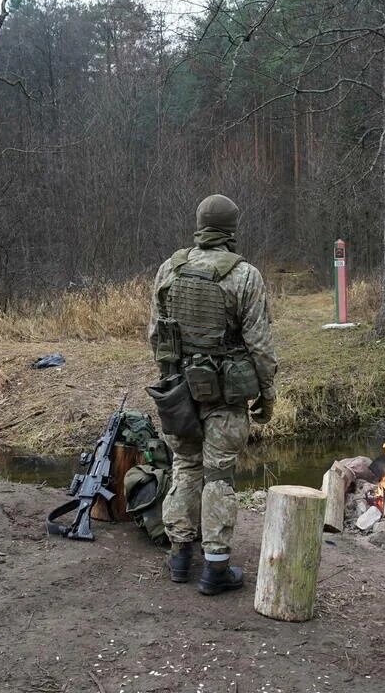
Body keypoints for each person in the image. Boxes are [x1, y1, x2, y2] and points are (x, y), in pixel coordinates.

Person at [148, 194, 278, 596]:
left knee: (185, 466)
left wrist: (174, 376)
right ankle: (216, 568)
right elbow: (260, 345)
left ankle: (181, 557)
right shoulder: (244, 276)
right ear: (232, 228)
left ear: (200, 223)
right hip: (224, 394)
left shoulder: (170, 268)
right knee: (218, 475)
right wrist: (267, 394)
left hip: (180, 391)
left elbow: (156, 335)